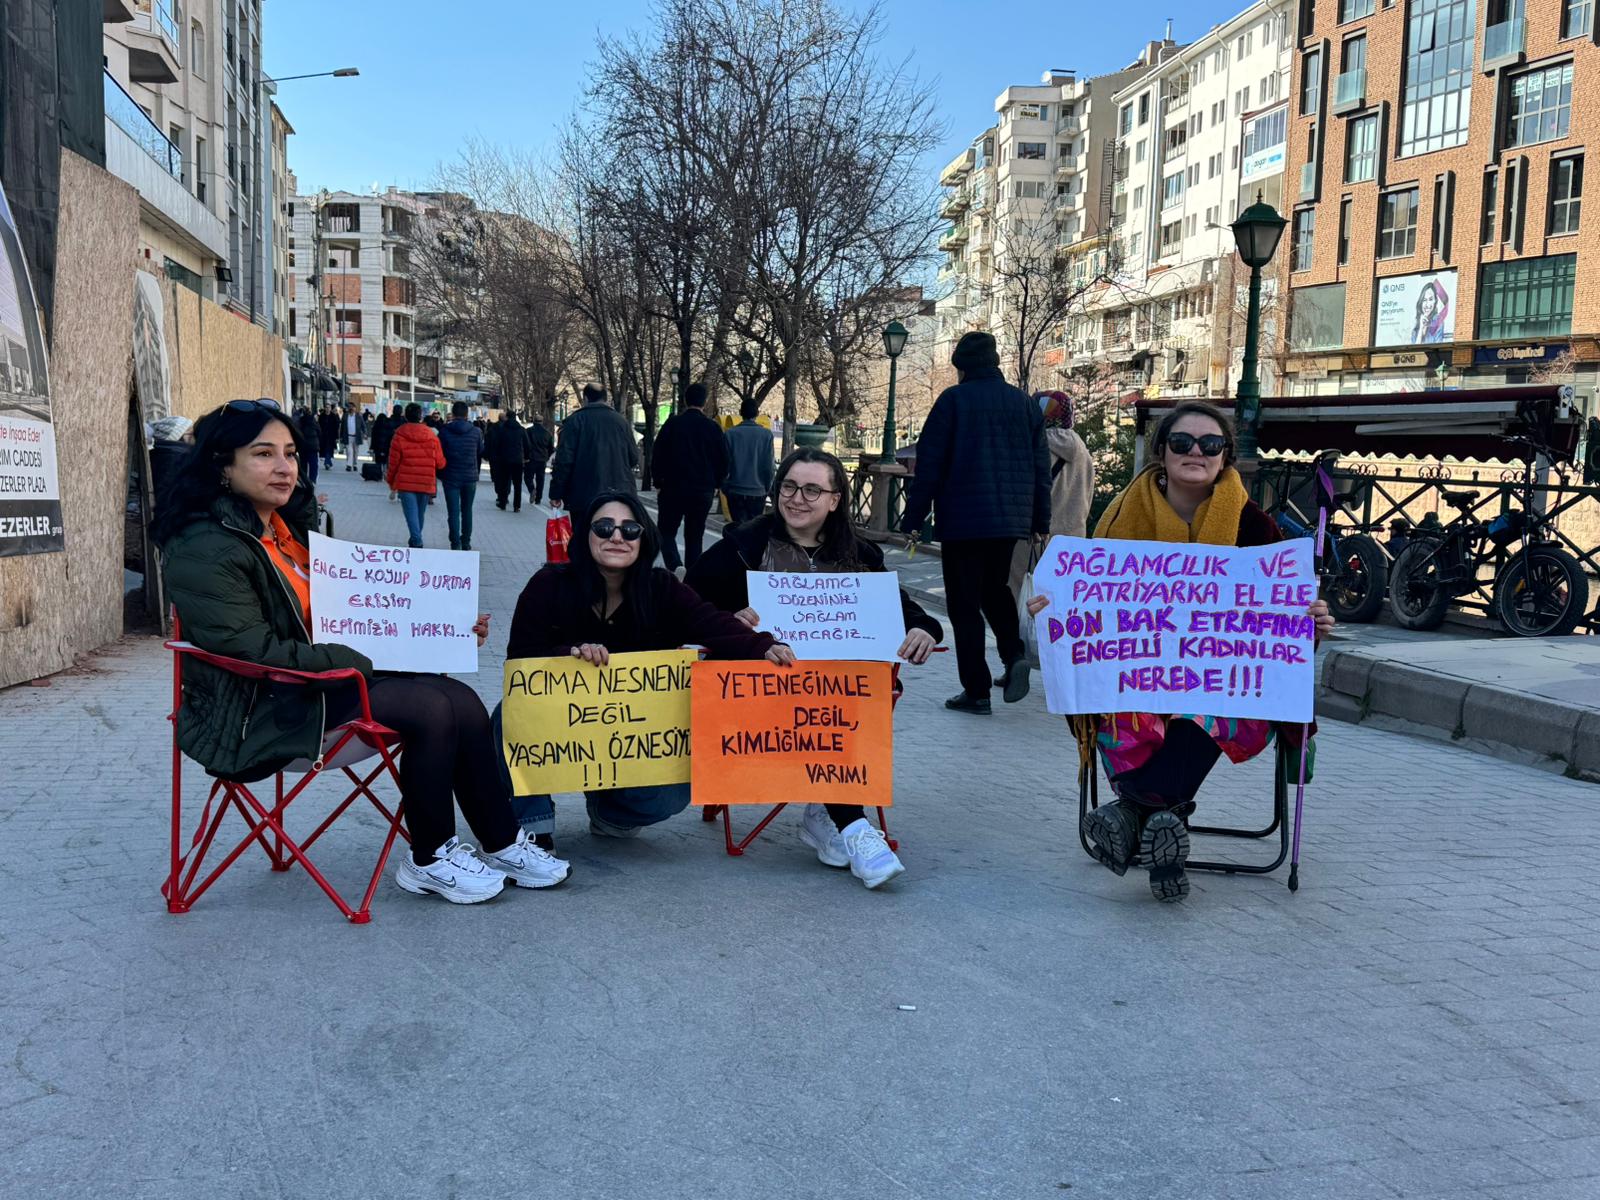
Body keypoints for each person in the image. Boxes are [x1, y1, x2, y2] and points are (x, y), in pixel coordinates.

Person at [153, 399, 568, 904]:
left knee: (461, 698)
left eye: (290, 453)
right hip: (255, 711)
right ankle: (430, 858)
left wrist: (440, 630)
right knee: (431, 708)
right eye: (263, 454)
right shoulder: (204, 546)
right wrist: (358, 661)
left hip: (319, 687)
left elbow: (355, 611)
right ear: (222, 463)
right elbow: (252, 649)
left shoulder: (288, 532)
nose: (285, 468)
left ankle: (501, 841)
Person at [1026, 401, 1334, 902]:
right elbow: (1085, 603)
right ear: (1160, 452)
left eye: (1210, 444)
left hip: (1222, 686)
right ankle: (1163, 818)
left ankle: (1134, 814)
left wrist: (1310, 623)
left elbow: (1280, 635)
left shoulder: (1254, 527)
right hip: (1139, 679)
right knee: (1124, 706)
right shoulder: (1122, 516)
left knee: (1214, 705)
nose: (1196, 451)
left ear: (1225, 456)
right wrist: (1055, 608)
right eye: (1182, 442)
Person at [685, 447, 941, 888]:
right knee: (824, 696)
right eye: (788, 486)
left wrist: (926, 631)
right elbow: (689, 604)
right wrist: (730, 619)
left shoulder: (859, 556)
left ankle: (830, 813)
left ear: (836, 498)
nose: (797, 498)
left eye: (811, 489)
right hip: (757, 697)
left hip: (837, 705)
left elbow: (906, 612)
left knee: (838, 692)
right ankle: (853, 826)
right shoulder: (744, 547)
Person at [504, 491, 792, 839]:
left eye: (630, 529)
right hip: (558, 721)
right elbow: (520, 660)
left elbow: (711, 622)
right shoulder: (548, 585)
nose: (616, 536)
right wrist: (572, 655)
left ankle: (610, 812)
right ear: (585, 535)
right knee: (504, 717)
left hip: (631, 732)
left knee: (673, 791)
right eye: (604, 526)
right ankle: (534, 828)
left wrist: (764, 647)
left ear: (644, 539)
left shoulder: (662, 587)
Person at [900, 330, 1050, 716]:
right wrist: (1039, 519)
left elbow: (929, 465)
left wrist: (913, 518)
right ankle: (1014, 653)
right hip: (1010, 522)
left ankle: (976, 690)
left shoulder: (953, 401)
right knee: (995, 590)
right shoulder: (1024, 404)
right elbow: (1040, 469)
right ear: (996, 361)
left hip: (964, 521)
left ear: (961, 368)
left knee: (964, 605)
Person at [1006, 391, 1094, 607]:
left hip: (1031, 540)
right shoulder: (1083, 451)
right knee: (1062, 603)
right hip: (1072, 543)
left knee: (1024, 602)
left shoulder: (1030, 447)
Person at [651, 381, 728, 574]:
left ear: (685, 400)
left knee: (666, 532)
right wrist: (717, 483)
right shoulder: (713, 428)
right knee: (695, 535)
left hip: (672, 488)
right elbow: (723, 459)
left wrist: (658, 481)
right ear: (705, 402)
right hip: (702, 490)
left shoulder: (672, 425)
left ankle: (675, 566)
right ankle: (692, 577)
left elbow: (658, 454)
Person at [549, 384, 639, 520]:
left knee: (583, 536)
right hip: (619, 494)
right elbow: (633, 458)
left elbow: (564, 461)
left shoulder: (574, 421)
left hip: (583, 494)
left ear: (585, 398)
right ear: (605, 398)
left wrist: (556, 493)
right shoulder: (621, 422)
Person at [386, 402, 446, 548]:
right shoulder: (431, 436)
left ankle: (416, 540)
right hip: (426, 481)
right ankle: (415, 539)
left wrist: (390, 480)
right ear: (420, 416)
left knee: (411, 513)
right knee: (420, 513)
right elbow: (440, 462)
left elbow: (393, 462)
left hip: (406, 481)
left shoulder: (399, 435)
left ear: (406, 416)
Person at [437, 399, 485, 551]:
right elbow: (480, 451)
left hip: (450, 476)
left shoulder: (444, 432)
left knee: (453, 511)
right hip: (469, 476)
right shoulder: (476, 432)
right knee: (467, 510)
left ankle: (455, 542)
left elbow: (439, 453)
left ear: (453, 413)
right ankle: (466, 542)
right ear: (467, 414)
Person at [722, 398, 775, 525]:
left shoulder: (730, 434)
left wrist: (725, 486)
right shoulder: (766, 435)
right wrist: (767, 487)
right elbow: (769, 466)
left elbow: (724, 464)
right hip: (758, 491)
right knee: (753, 531)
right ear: (757, 414)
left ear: (741, 412)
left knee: (738, 530)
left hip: (735, 489)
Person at [490, 411, 531, 512]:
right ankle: (517, 506)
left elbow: (497, 444)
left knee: (504, 481)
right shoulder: (521, 430)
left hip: (504, 459)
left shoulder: (502, 430)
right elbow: (527, 445)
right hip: (518, 459)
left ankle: (503, 503)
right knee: (518, 484)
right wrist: (526, 457)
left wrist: (497, 456)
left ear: (507, 418)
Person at [524, 416, 553, 506]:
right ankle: (538, 499)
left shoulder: (528, 431)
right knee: (540, 479)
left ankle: (532, 489)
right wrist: (547, 456)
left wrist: (525, 456)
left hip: (531, 458)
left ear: (534, 421)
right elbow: (551, 448)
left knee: (528, 477)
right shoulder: (547, 433)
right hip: (542, 459)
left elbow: (525, 444)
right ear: (542, 421)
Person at [317, 406, 339, 472]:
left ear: (330, 409)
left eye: (328, 408)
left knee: (329, 449)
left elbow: (336, 427)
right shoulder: (321, 416)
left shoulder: (333, 416)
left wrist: (337, 436)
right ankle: (328, 462)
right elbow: (319, 425)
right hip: (323, 436)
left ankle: (327, 463)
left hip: (331, 436)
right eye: (326, 407)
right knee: (325, 449)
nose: (327, 409)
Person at [342, 405, 362, 471]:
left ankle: (355, 464)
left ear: (355, 409)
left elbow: (363, 425)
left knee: (355, 452)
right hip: (348, 436)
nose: (351, 409)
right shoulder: (345, 416)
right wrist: (340, 436)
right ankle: (349, 465)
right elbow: (342, 426)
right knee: (349, 451)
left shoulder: (358, 416)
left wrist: (365, 433)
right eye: (350, 407)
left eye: (353, 407)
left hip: (356, 437)